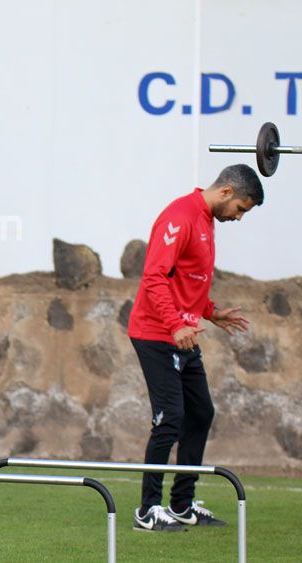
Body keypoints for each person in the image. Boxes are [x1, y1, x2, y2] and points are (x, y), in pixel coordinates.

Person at [128, 164, 262, 531]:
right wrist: (174, 324)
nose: (239, 217)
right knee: (170, 417)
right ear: (226, 192)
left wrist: (210, 311)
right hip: (156, 333)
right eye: (240, 209)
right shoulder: (180, 216)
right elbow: (154, 277)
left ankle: (182, 504)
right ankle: (147, 511)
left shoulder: (206, 220)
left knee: (200, 413)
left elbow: (186, 280)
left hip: (183, 333)